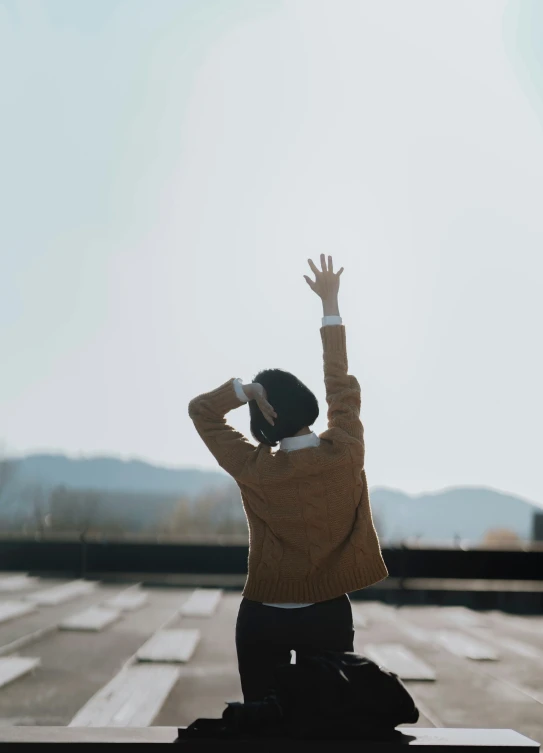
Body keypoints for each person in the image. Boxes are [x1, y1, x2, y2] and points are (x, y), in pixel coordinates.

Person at [188, 254, 389, 702]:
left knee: (263, 732)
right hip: (327, 614)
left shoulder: (255, 469)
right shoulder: (345, 451)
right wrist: (330, 304)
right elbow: (340, 384)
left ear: (264, 424)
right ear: (305, 401)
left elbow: (201, 412)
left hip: (262, 617)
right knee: (327, 730)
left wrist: (246, 392)